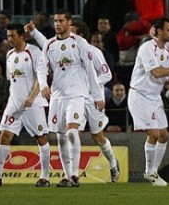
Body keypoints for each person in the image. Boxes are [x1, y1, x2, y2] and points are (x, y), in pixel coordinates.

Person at [25, 19, 120, 183]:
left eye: (72, 31)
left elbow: (107, 74)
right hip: (72, 97)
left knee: (97, 135)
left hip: (91, 98)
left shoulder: (93, 51)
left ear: (80, 34)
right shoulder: (61, 47)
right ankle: (71, 175)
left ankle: (113, 163)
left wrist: (90, 87)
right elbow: (47, 44)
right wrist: (34, 32)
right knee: (70, 131)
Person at [37, 9, 104, 187]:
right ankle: (67, 177)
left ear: (69, 23)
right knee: (60, 136)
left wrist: (97, 95)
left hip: (77, 94)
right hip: (57, 96)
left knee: (72, 131)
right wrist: (43, 85)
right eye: (55, 21)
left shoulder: (80, 43)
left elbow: (90, 70)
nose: (57, 24)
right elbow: (42, 67)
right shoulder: (49, 44)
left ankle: (74, 174)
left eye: (60, 21)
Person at [0, 23, 51, 187]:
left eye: (12, 36)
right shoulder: (9, 54)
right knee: (4, 135)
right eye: (8, 36)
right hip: (15, 103)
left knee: (41, 138)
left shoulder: (34, 52)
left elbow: (41, 78)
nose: (9, 39)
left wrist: (32, 97)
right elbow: (12, 81)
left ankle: (45, 176)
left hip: (32, 103)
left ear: (22, 36)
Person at [128, 17, 169, 186]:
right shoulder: (146, 48)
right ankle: (149, 172)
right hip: (140, 95)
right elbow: (157, 73)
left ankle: (152, 172)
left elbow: (166, 77)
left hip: (155, 97)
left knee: (164, 135)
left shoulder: (165, 53)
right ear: (158, 31)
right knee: (154, 134)